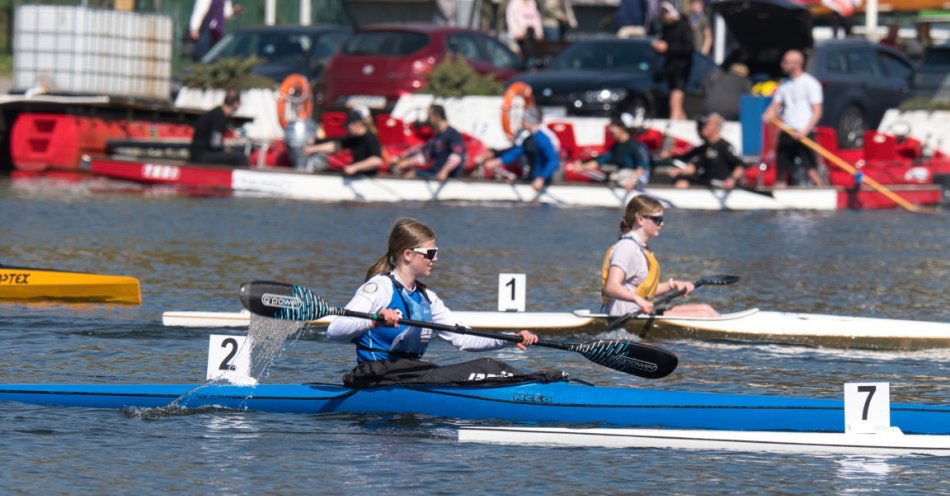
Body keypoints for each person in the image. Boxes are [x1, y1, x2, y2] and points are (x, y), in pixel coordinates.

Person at [326, 218, 539, 387]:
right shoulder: (379, 287)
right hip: (375, 375)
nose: (435, 259)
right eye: (430, 253)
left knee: (490, 367)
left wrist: (509, 339)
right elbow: (334, 331)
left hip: (408, 374)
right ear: (408, 255)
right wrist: (374, 322)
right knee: (487, 367)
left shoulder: (427, 298)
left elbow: (464, 339)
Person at [601, 196, 718, 317]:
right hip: (625, 316)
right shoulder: (626, 248)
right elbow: (612, 286)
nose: (662, 223)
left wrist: (672, 285)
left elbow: (644, 291)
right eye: (657, 219)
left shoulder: (642, 248)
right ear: (640, 219)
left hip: (641, 312)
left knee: (705, 309)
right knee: (704, 315)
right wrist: (638, 300)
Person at [762, 49, 825, 188]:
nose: (782, 65)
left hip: (805, 132)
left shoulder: (810, 83)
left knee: (811, 170)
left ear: (797, 64)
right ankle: (780, 193)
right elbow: (774, 105)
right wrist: (768, 114)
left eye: (786, 62)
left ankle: (822, 190)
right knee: (781, 170)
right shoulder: (784, 85)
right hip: (788, 130)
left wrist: (804, 131)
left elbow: (817, 112)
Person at [480, 106, 560, 192]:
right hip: (533, 178)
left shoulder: (543, 138)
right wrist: (498, 161)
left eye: (523, 119)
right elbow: (517, 151)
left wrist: (541, 178)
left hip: (543, 180)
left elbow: (553, 160)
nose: (521, 121)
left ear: (530, 121)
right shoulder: (529, 137)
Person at [665, 113, 745, 189]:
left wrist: (732, 179)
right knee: (682, 182)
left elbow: (740, 165)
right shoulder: (704, 148)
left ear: (716, 127)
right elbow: (693, 166)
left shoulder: (725, 146)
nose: (703, 127)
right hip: (706, 183)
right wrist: (678, 170)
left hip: (720, 186)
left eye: (707, 124)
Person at [392, 105, 467, 180]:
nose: (427, 120)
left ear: (436, 117)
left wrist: (445, 171)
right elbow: (425, 156)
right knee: (407, 173)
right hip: (434, 172)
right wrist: (408, 162)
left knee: (411, 175)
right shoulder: (436, 137)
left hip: (448, 177)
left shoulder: (453, 135)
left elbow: (457, 155)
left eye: (428, 116)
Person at [575, 116, 650, 190]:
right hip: (621, 175)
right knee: (611, 177)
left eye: (613, 133)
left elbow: (642, 167)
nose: (611, 135)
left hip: (635, 177)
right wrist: (582, 167)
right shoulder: (616, 147)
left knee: (618, 177)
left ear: (622, 129)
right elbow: (602, 159)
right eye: (610, 133)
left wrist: (632, 181)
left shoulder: (636, 145)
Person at [305, 109, 384, 176]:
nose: (346, 130)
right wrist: (314, 149)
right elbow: (336, 145)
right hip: (357, 177)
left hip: (370, 178)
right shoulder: (354, 138)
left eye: (347, 127)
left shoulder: (370, 138)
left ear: (356, 125)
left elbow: (376, 160)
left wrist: (355, 167)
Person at [652, 2, 693, 121]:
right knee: (675, 101)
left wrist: (668, 47)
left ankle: (674, 120)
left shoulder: (683, 26)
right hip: (670, 67)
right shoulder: (666, 27)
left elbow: (688, 48)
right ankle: (681, 120)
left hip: (681, 67)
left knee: (676, 97)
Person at [189, 89, 248, 166]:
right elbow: (215, 144)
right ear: (236, 103)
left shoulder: (216, 113)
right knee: (240, 157)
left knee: (234, 153)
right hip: (202, 155)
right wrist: (225, 151)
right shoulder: (219, 117)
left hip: (199, 153)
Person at [506, 0, 544, 65]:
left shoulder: (532, 2)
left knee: (531, 52)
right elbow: (511, 18)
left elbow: (536, 17)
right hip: (520, 32)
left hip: (531, 31)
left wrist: (539, 32)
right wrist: (516, 32)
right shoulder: (514, 3)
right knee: (522, 53)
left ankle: (530, 66)